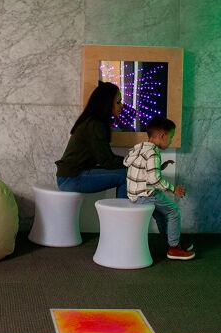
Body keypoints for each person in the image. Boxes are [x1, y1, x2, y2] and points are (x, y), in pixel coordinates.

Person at [124, 119, 194, 261]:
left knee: (161, 215)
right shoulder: (154, 153)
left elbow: (134, 165)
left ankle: (171, 242)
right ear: (162, 135)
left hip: (134, 195)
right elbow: (154, 180)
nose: (171, 141)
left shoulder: (140, 147)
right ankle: (174, 248)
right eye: (171, 137)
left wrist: (160, 166)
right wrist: (174, 189)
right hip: (146, 195)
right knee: (174, 211)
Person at [55, 82, 127, 198]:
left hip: (70, 176)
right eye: (118, 102)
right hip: (71, 178)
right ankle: (123, 214)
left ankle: (122, 213)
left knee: (127, 172)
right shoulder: (94, 125)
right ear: (107, 103)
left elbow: (105, 160)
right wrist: (132, 162)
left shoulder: (93, 122)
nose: (121, 106)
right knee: (127, 175)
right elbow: (106, 161)